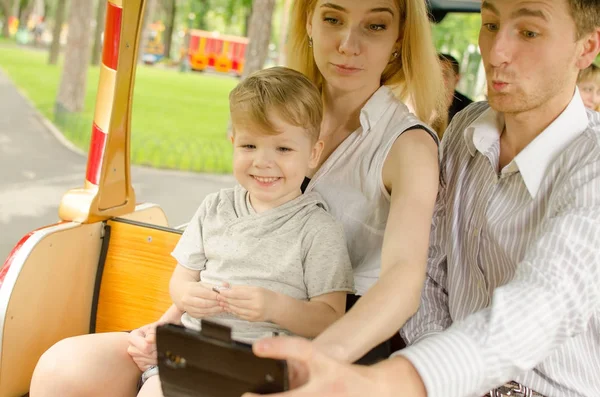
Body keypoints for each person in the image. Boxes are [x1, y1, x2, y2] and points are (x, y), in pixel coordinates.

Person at [30, 0, 446, 394]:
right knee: (63, 371)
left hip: (336, 334)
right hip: (220, 323)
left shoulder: (407, 146)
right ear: (308, 22)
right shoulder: (281, 106)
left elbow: (402, 281)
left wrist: (315, 358)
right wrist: (167, 324)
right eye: (333, 19)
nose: (348, 45)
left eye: (375, 26)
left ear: (399, 37)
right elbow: (227, 251)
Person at [245, 0, 600, 396]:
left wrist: (394, 379)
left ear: (586, 48)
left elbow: (545, 304)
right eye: (490, 24)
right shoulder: (467, 131)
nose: (496, 52)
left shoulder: (592, 165)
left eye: (529, 32)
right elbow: (431, 273)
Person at [135, 66, 355, 396]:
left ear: (313, 153)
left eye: (283, 149)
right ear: (233, 142)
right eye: (250, 146)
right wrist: (184, 295)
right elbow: (183, 278)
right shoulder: (215, 207)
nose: (263, 162)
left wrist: (274, 307)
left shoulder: (319, 230)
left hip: (264, 372)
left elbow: (330, 318)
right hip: (192, 353)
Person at [439, 53, 474, 123]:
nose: (438, 79)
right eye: (434, 74)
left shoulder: (468, 110)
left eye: (444, 75)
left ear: (456, 79)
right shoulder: (420, 104)